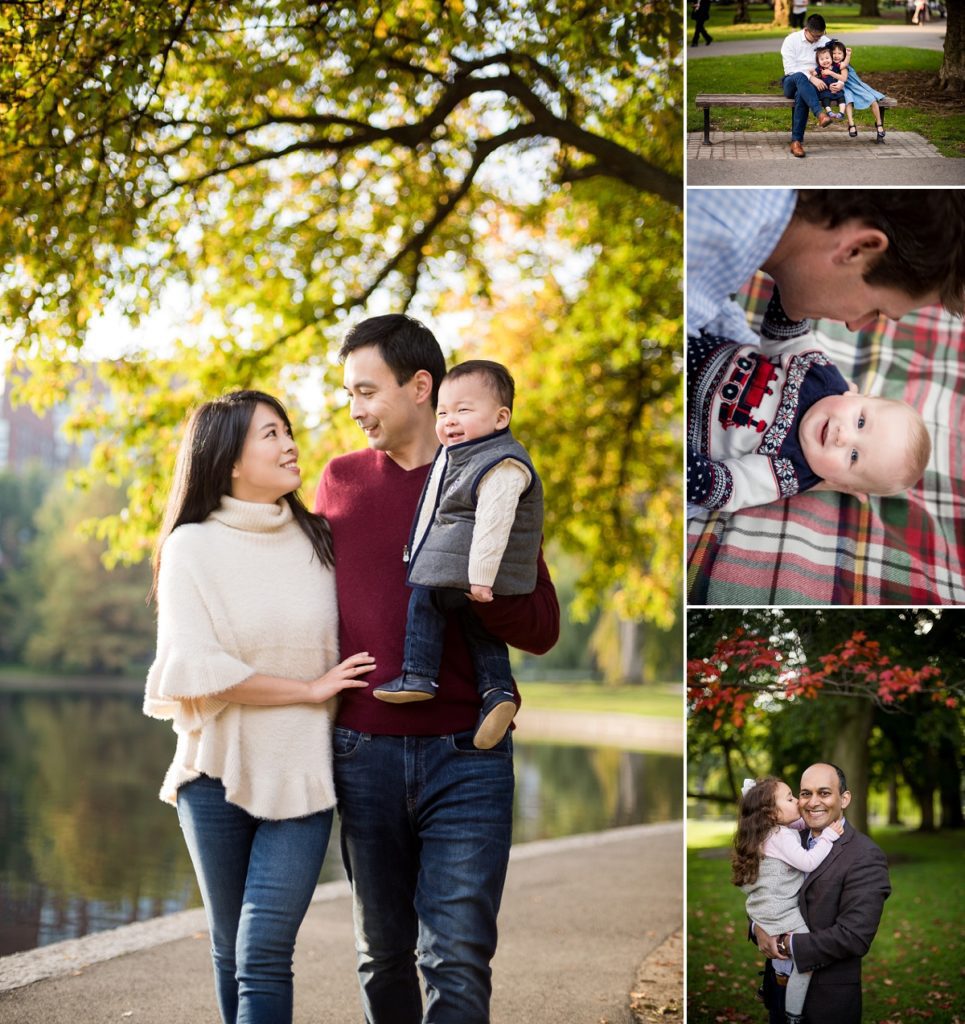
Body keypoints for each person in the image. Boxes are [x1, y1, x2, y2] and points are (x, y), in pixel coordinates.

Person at [314, 314, 559, 1023]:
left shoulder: (495, 477)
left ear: (420, 386)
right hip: (362, 753)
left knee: (454, 957)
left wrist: (481, 595)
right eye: (347, 395)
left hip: (467, 753)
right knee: (382, 954)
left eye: (366, 390)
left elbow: (540, 627)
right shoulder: (338, 483)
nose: (355, 409)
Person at [143, 390, 376, 1024]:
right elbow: (196, 670)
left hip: (304, 777)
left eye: (288, 430)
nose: (290, 444)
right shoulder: (190, 547)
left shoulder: (322, 540)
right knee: (229, 949)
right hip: (214, 777)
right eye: (269, 435)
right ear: (228, 460)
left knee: (263, 947)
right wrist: (306, 690)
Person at [372, 359, 543, 752]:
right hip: (476, 571)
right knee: (477, 628)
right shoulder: (461, 456)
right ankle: (497, 692)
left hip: (484, 571)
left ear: (501, 418)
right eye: (443, 411)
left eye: (464, 410)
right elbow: (433, 506)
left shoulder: (503, 463)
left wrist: (480, 578)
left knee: (426, 598)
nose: (449, 420)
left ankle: (418, 675)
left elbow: (494, 522)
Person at [687, 323, 931, 513]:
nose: (842, 436)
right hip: (699, 346)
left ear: (840, 483)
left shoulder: (790, 471)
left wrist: (689, 469)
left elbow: (729, 487)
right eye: (860, 422)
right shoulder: (822, 375)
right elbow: (783, 334)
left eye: (854, 456)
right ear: (856, 395)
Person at [687, 188, 965, 351]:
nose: (854, 325)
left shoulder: (750, 224)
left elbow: (711, 310)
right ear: (858, 249)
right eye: (876, 310)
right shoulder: (720, 234)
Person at [751, 763, 891, 1024]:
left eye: (824, 793)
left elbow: (854, 936)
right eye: (805, 793)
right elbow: (765, 891)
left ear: (844, 798)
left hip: (826, 1001)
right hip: (777, 987)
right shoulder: (785, 837)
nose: (812, 802)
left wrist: (785, 943)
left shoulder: (865, 856)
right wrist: (757, 928)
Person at [732, 777, 844, 1024]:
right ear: (771, 813)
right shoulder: (780, 836)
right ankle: (793, 1013)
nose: (798, 802)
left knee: (787, 958)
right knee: (806, 960)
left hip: (766, 910)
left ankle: (768, 986)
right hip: (780, 912)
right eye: (791, 798)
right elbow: (807, 862)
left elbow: (801, 824)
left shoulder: (771, 831)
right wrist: (827, 837)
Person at [780, 14, 834, 158]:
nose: (818, 40)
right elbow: (790, 69)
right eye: (815, 36)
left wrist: (838, 80)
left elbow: (837, 64)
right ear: (806, 30)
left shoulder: (825, 41)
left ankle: (796, 142)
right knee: (799, 76)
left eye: (821, 35)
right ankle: (819, 113)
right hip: (791, 81)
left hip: (813, 86)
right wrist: (810, 77)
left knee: (801, 95)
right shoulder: (791, 40)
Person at [830, 40, 888, 143]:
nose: (836, 56)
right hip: (844, 88)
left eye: (839, 53)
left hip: (855, 86)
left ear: (843, 55)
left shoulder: (843, 64)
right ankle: (851, 124)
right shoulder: (831, 65)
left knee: (872, 100)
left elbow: (844, 65)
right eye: (834, 53)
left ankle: (879, 123)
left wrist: (848, 55)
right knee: (847, 100)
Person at [808, 46, 846, 120]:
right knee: (825, 98)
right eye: (822, 59)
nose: (825, 61)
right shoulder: (820, 68)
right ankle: (829, 112)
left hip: (836, 87)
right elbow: (814, 73)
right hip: (826, 89)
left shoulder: (836, 66)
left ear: (831, 58)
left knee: (841, 97)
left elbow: (844, 66)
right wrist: (812, 72)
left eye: (827, 58)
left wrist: (848, 55)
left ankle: (841, 113)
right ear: (818, 61)